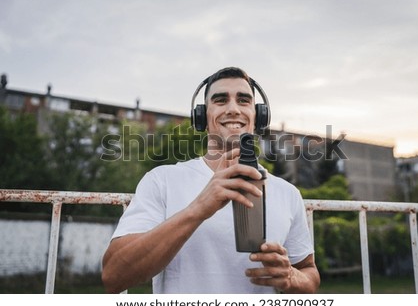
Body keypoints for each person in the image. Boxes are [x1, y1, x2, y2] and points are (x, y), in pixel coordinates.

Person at [102, 67, 320, 294]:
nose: (233, 109)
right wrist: (198, 208)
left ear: (259, 116)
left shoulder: (288, 193)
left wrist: (292, 277)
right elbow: (114, 276)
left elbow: (309, 274)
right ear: (201, 117)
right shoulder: (162, 181)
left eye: (243, 101)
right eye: (220, 100)